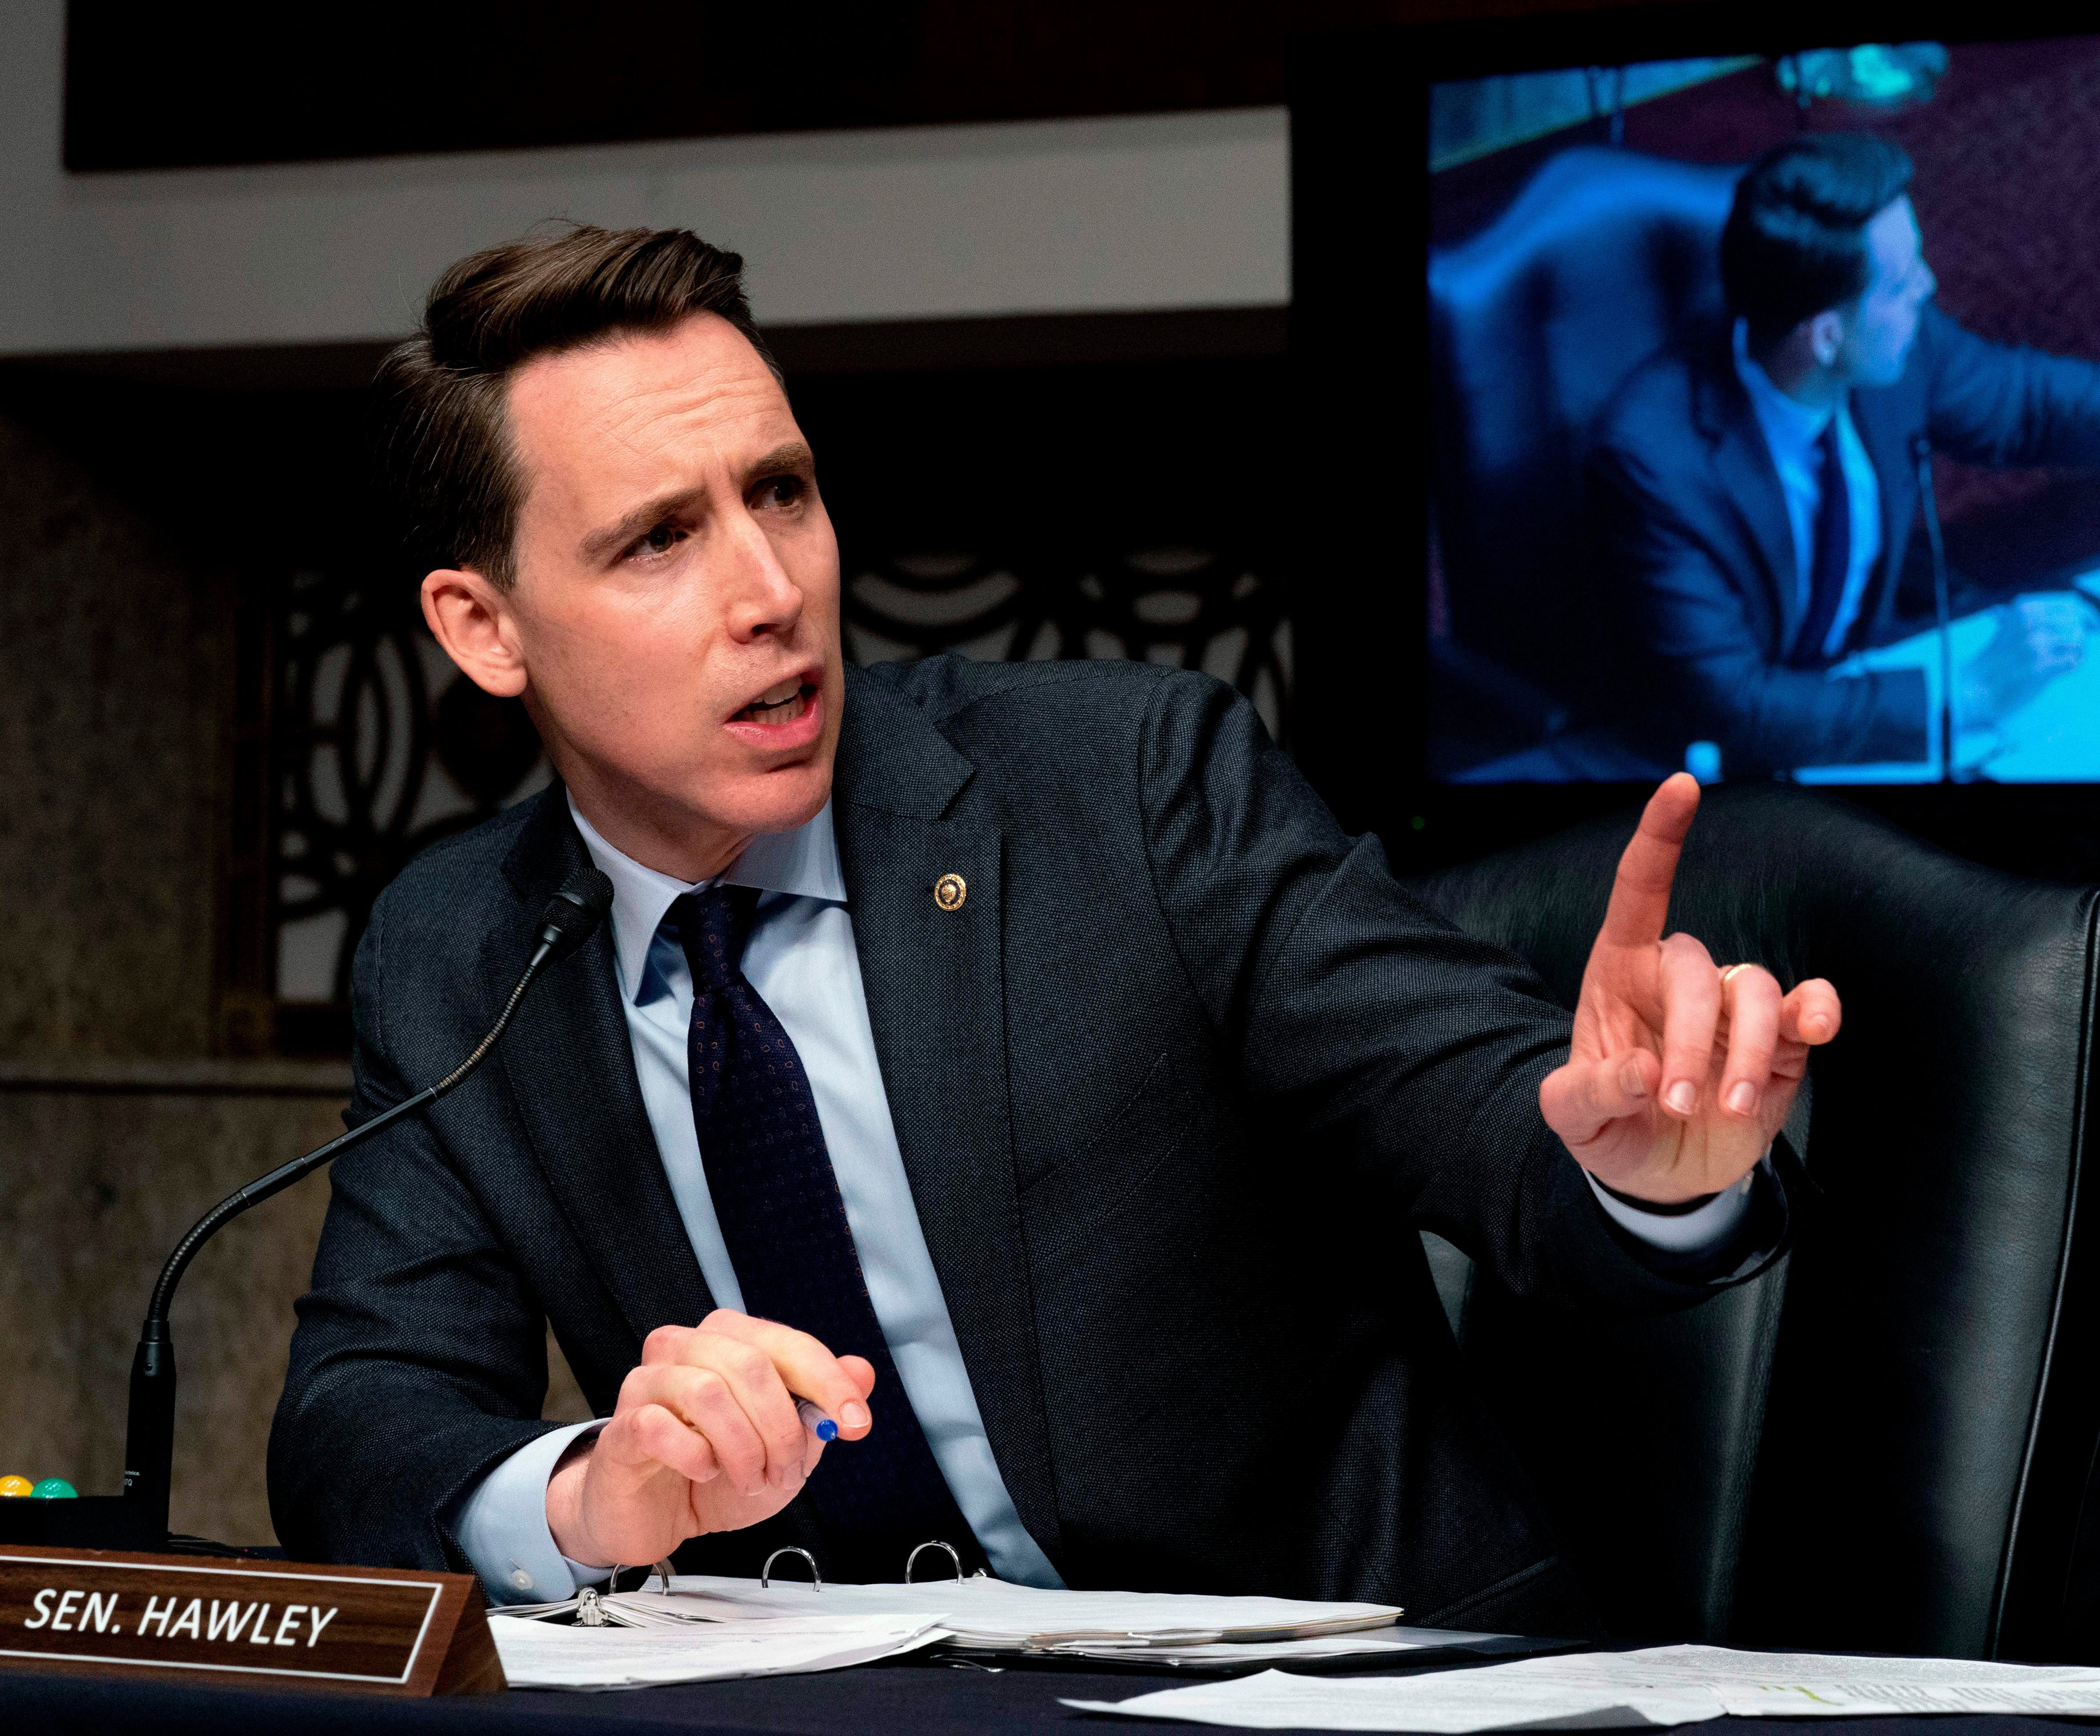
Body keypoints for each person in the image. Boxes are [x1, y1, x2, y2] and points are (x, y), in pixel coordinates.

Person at [268, 225, 1840, 1635]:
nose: (769, 591)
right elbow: (360, 1422)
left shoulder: (1127, 785)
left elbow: (1489, 1112)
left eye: (783, 494)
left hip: (1311, 1692)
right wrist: (588, 1499)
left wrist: (1637, 1173)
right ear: (484, 629)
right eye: (657, 540)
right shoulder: (458, 944)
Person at [1585, 132, 2100, 774]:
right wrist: (1967, 694)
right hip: (1704, 776)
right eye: (1899, 284)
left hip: (1861, 695)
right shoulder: (1656, 458)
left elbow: (2031, 402)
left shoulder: (1894, 352)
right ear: (1824, 334)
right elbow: (1734, 705)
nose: (1927, 287)